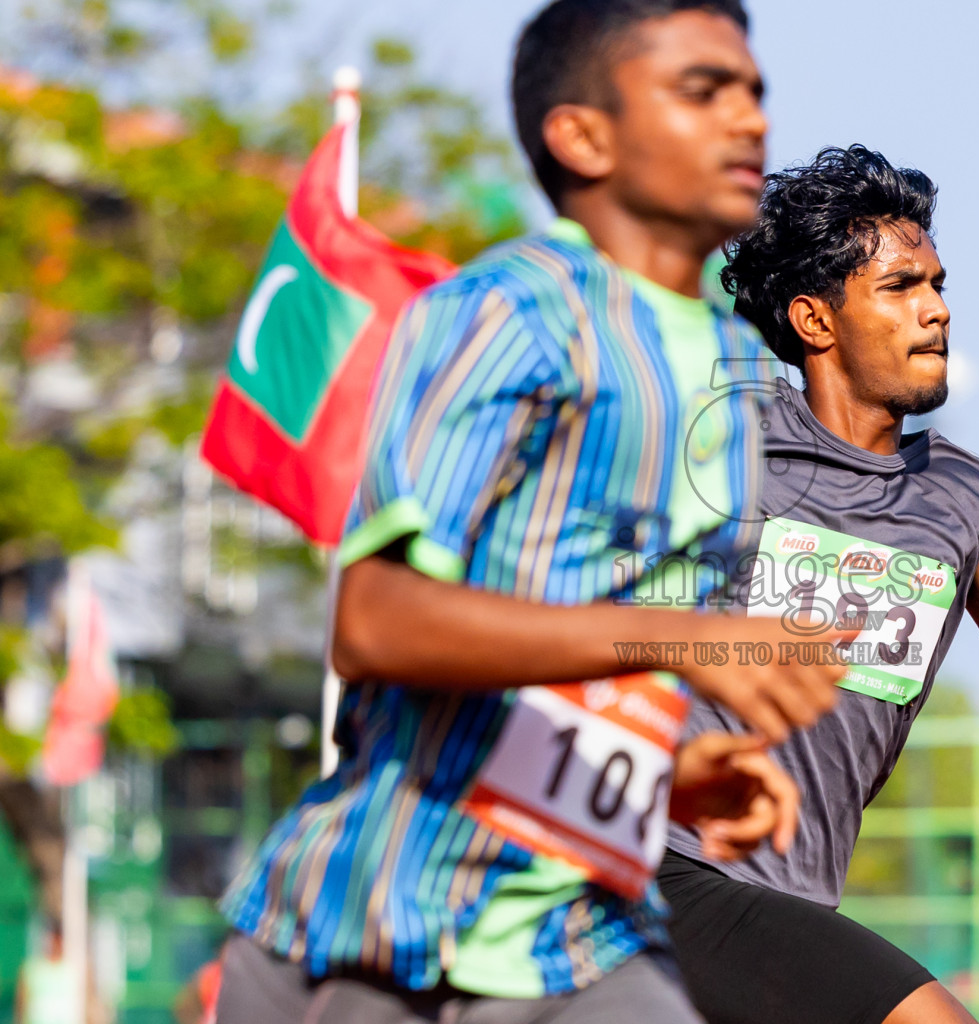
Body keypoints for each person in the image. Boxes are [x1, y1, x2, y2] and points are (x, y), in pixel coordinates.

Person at [215, 3, 853, 1022]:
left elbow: (591, 656)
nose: (748, 119)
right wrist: (685, 639)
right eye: (703, 91)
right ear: (583, 135)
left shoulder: (736, 365)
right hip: (376, 941)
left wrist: (669, 775)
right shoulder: (512, 310)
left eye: (753, 91)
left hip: (584, 942)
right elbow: (374, 620)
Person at [659, 146, 979, 1024]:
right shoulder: (718, 449)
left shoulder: (962, 497)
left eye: (939, 285)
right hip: (665, 867)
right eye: (901, 288)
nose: (938, 311)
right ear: (815, 320)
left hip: (798, 899)